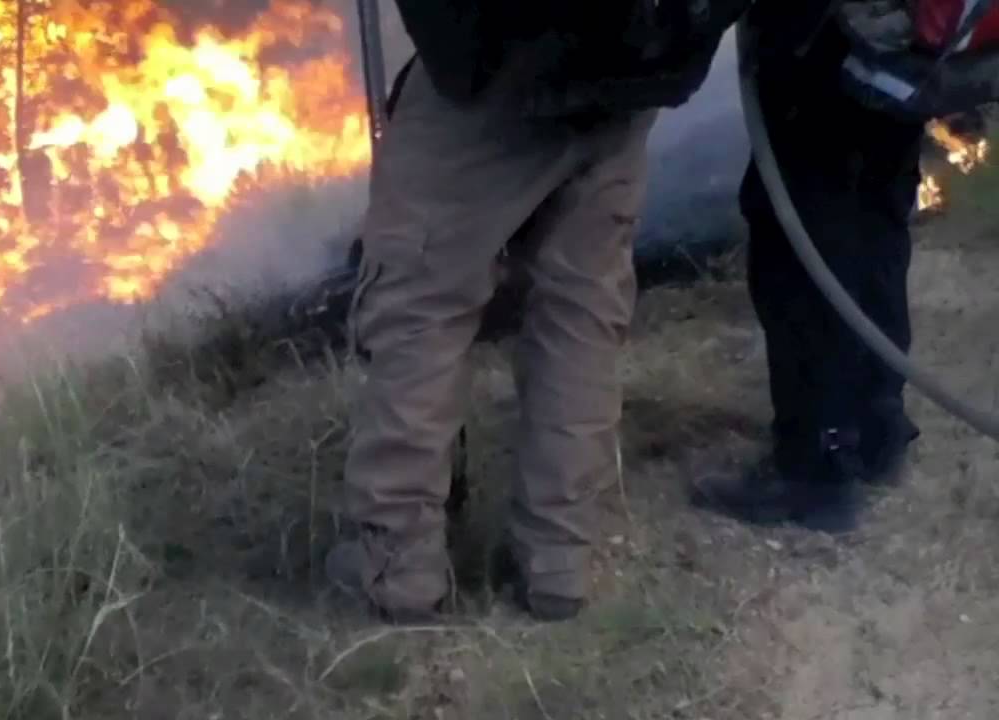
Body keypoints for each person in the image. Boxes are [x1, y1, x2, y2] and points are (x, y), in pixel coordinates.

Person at [326, 2, 747, 622]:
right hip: (628, 76)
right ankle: (559, 559)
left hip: (495, 80)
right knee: (580, 312)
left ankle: (399, 567)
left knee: (417, 312)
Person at [693, 1, 926, 533]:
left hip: (825, 38)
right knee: (876, 208)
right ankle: (875, 427)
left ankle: (817, 463)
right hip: (899, 40)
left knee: (800, 234)